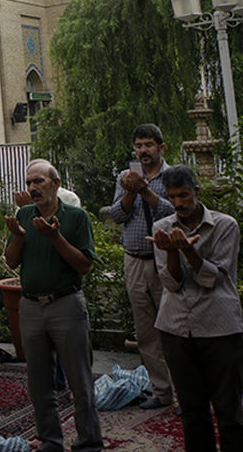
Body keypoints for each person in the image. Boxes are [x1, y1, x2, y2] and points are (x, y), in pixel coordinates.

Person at [5, 159, 102, 452]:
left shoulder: (75, 217)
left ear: (56, 184)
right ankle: (50, 439)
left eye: (39, 182)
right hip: (31, 307)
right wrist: (20, 238)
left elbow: (84, 265)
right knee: (38, 381)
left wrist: (55, 236)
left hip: (66, 305)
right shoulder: (23, 214)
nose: (33, 188)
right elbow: (11, 261)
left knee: (79, 380)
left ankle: (89, 441)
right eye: (29, 183)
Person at [151, 165, 243, 451]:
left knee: (230, 411)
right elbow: (171, 283)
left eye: (184, 196)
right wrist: (170, 252)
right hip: (176, 328)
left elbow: (211, 278)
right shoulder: (161, 228)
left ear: (196, 192)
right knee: (192, 411)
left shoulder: (225, 226)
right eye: (173, 197)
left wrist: (188, 250)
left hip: (219, 327)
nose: (179, 204)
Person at [109, 123, 174, 409]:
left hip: (165, 260)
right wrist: (131, 192)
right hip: (134, 259)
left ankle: (186, 393)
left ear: (161, 147)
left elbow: (177, 213)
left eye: (148, 145)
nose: (143, 151)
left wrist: (147, 192)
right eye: (138, 146)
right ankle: (161, 392)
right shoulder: (126, 177)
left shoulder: (173, 176)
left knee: (172, 328)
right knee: (145, 331)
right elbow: (116, 215)